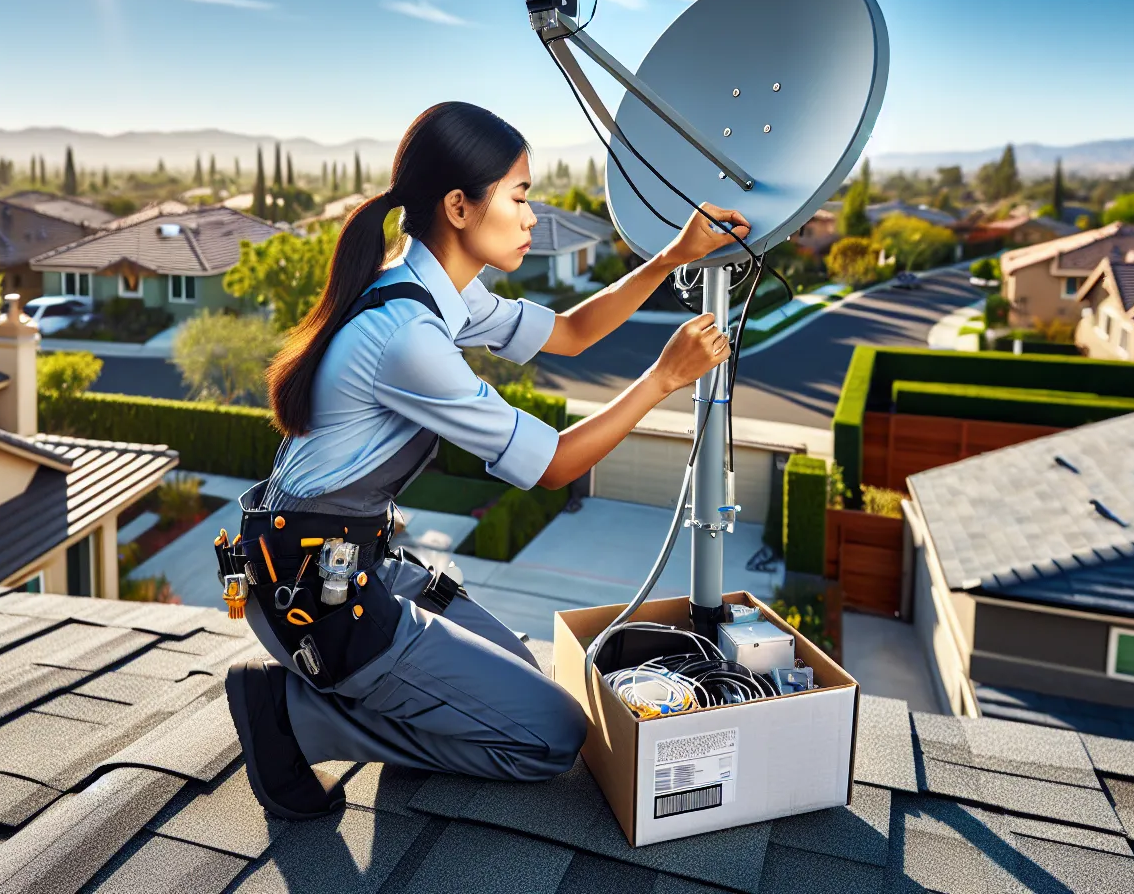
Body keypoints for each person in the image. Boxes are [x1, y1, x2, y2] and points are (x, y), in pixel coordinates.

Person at [222, 101, 750, 820]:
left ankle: (364, 702)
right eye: (522, 196)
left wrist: (674, 256)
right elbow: (557, 464)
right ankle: (297, 714)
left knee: (521, 678)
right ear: (459, 207)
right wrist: (663, 378)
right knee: (553, 739)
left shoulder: (430, 294)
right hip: (318, 604)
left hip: (349, 568)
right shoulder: (408, 335)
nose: (534, 216)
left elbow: (569, 332)